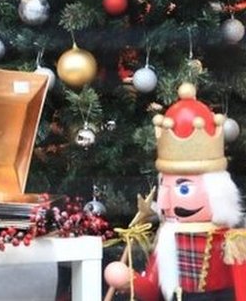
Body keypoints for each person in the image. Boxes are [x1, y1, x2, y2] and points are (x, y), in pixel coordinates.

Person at [104, 83, 246, 300]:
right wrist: (129, 279)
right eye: (165, 186)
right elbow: (152, 290)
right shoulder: (167, 237)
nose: (167, 200)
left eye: (184, 188)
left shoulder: (232, 241)